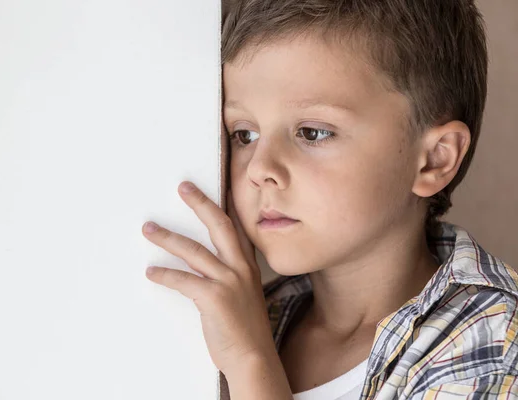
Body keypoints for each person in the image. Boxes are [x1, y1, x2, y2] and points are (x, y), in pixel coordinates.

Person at [217, 0, 518, 398]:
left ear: (433, 159)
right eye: (245, 134)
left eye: (312, 132)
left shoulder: (492, 342)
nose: (259, 168)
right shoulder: (250, 313)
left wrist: (249, 360)